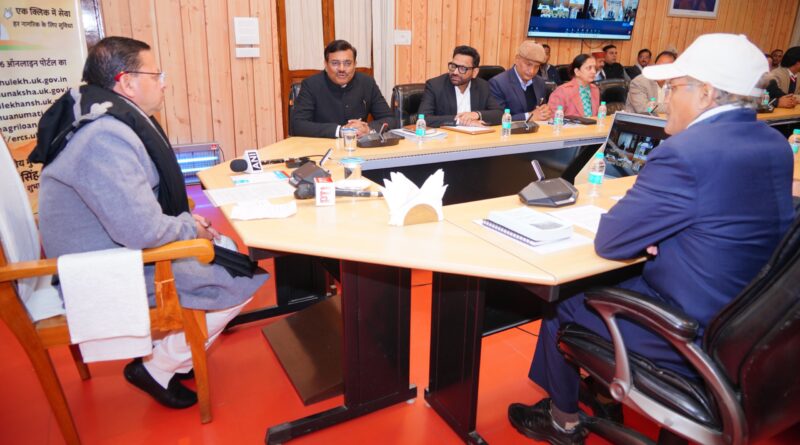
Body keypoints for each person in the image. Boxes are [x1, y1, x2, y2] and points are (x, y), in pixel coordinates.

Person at [508, 33, 794, 445]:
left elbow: (611, 242)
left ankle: (563, 420)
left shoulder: (685, 152)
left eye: (673, 87)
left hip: (689, 329)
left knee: (563, 299)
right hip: (750, 323)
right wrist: (665, 234)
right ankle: (600, 392)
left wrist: (651, 234)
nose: (664, 98)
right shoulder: (773, 143)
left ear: (706, 93)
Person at [32, 37, 268, 409]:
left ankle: (173, 350)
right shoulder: (103, 136)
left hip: (105, 250)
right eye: (156, 75)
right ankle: (160, 366)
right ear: (127, 82)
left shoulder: (103, 117)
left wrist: (188, 223)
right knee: (242, 277)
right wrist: (189, 228)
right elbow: (139, 230)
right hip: (101, 269)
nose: (163, 83)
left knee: (223, 248)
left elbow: (136, 210)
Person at [291, 39, 396, 138]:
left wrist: (368, 129)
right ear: (326, 65)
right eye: (335, 63)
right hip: (323, 146)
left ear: (355, 64)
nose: (341, 69)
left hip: (359, 146)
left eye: (347, 63)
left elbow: (390, 119)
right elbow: (298, 125)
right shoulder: (311, 84)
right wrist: (340, 131)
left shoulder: (367, 83)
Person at [417, 45, 503, 127]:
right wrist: (460, 121)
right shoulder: (435, 86)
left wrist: (477, 114)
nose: (455, 72)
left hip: (475, 136)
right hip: (448, 136)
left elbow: (500, 114)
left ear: (474, 72)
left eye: (462, 68)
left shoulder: (483, 86)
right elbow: (423, 118)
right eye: (453, 66)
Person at [489, 41, 553, 123]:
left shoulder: (540, 82)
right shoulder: (498, 83)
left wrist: (544, 112)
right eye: (528, 64)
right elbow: (498, 118)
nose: (532, 71)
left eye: (536, 67)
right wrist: (529, 116)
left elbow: (540, 110)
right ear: (517, 59)